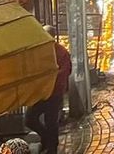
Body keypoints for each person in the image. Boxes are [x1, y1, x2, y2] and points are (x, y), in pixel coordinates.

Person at [25, 25, 70, 154]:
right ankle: (47, 139)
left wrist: (49, 79)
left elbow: (64, 73)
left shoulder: (61, 52)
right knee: (30, 119)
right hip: (41, 93)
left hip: (54, 93)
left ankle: (52, 148)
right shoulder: (40, 51)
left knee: (51, 122)